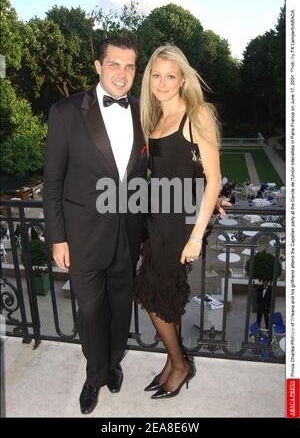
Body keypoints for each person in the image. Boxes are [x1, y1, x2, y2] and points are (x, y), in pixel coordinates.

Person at [43, 35, 148, 414]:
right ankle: (94, 374)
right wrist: (57, 239)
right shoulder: (66, 111)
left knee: (121, 307)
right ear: (98, 66)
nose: (122, 74)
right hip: (83, 237)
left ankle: (114, 361)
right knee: (90, 311)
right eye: (114, 64)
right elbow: (52, 181)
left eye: (130, 66)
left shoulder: (142, 112)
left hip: (128, 235)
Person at [134, 45, 221, 399]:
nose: (163, 82)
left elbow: (213, 178)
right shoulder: (154, 118)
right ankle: (174, 362)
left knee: (158, 297)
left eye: (170, 75)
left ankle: (180, 365)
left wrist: (197, 236)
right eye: (156, 75)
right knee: (153, 294)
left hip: (181, 226)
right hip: (158, 218)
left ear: (183, 79)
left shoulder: (196, 114)